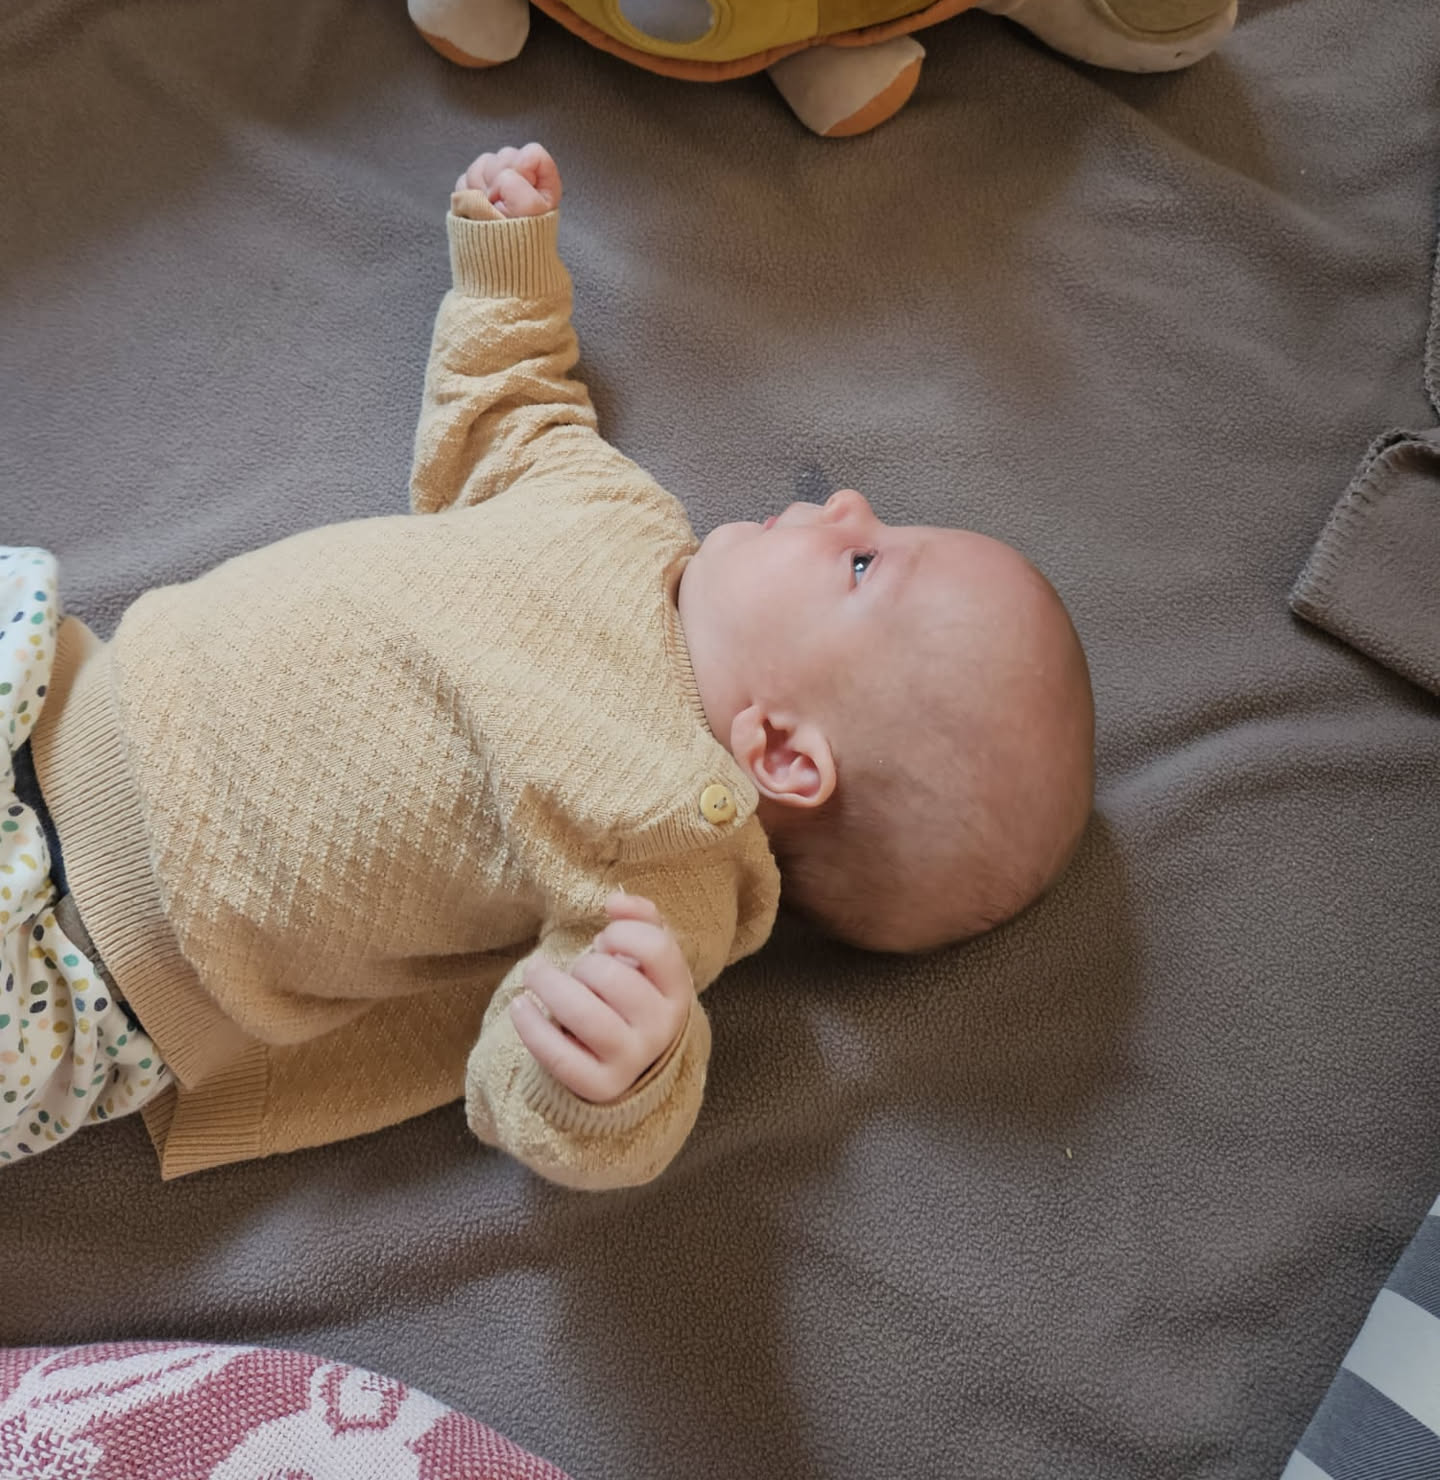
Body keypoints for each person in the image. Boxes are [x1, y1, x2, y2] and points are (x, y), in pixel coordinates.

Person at [2, 143, 1094, 1185]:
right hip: (52, 690)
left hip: (85, 961)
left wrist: (619, 1076)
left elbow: (530, 1072)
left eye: (862, 563)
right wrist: (508, 267)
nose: (847, 502)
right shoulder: (621, 512)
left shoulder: (676, 865)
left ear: (782, 754)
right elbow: (513, 409)